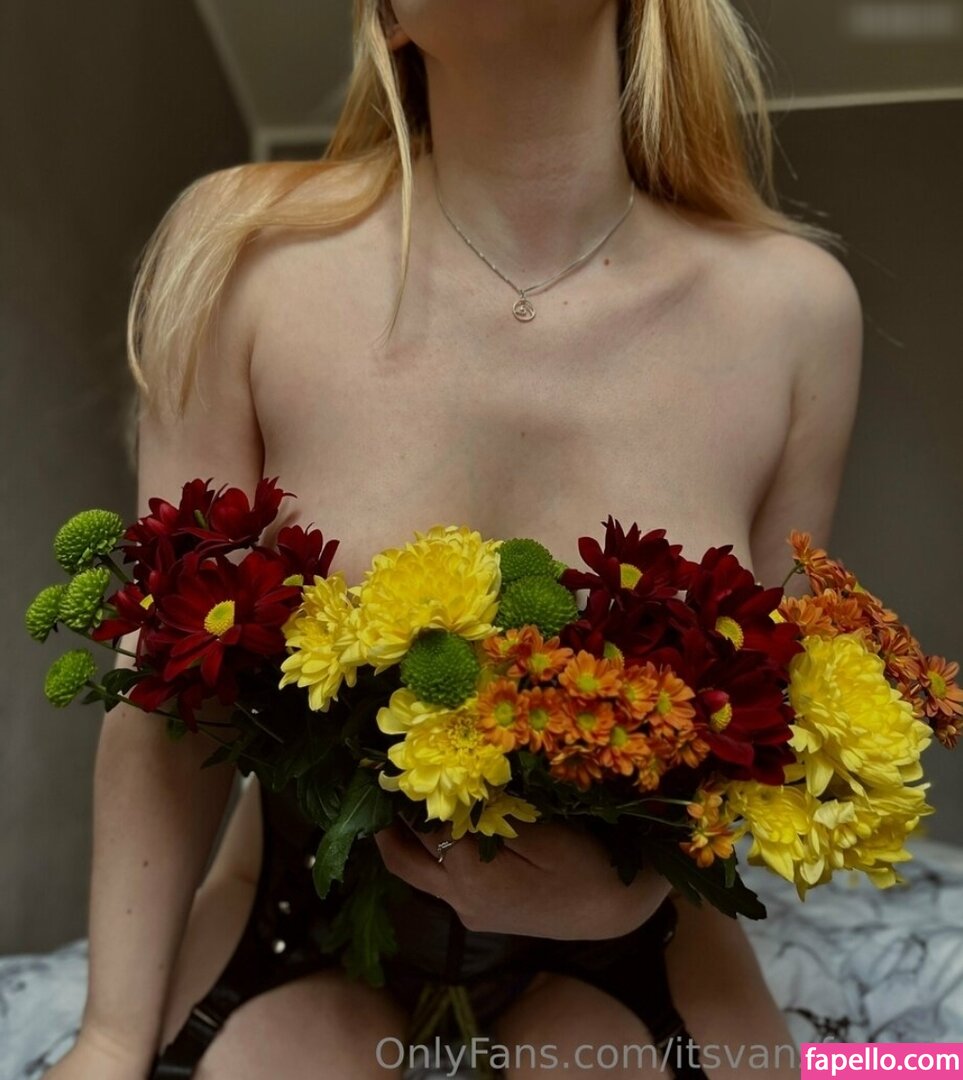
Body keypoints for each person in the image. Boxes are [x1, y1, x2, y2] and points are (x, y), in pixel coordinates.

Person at [45, 1, 864, 1077]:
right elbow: (166, 688)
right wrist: (108, 1039)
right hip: (294, 913)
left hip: (647, 933)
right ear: (388, 15)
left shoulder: (798, 314)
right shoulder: (243, 259)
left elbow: (761, 724)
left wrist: (635, 888)